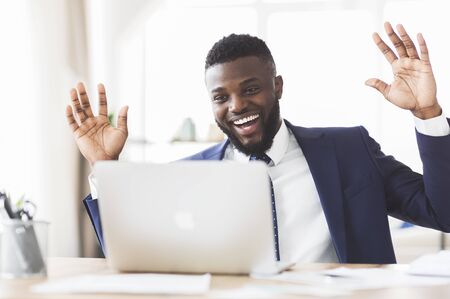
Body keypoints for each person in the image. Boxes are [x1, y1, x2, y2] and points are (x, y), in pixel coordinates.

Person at [66, 22, 450, 264]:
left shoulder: (350, 150)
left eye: (250, 89)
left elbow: (442, 214)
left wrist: (428, 113)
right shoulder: (188, 175)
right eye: (221, 97)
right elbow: (129, 254)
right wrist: (105, 169)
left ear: (277, 86)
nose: (237, 106)